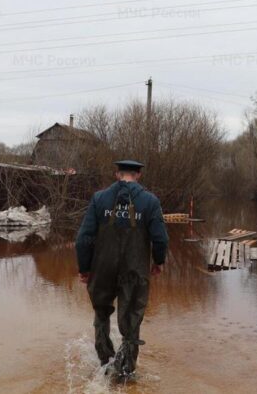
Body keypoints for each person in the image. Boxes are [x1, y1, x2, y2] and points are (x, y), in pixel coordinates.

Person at [75, 159, 169, 376]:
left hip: (102, 268)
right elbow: (161, 238)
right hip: (134, 270)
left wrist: (85, 268)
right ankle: (126, 371)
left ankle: (105, 363)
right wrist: (159, 261)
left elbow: (84, 238)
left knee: (101, 312)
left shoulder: (99, 198)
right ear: (138, 176)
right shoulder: (150, 201)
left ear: (117, 174)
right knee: (132, 318)